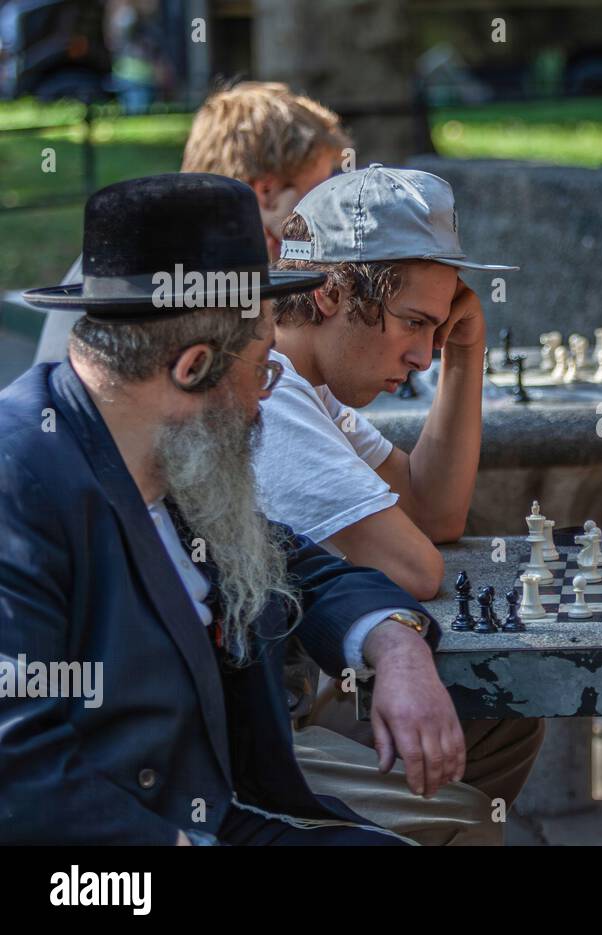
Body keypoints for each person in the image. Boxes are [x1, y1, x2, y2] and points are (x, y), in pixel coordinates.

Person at [0, 174, 459, 844]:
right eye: (264, 369)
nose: (264, 399)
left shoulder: (168, 451)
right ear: (192, 367)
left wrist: (394, 641)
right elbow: (18, 774)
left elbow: (296, 563)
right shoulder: (19, 483)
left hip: (217, 811)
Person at [260, 165, 544, 840]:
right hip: (255, 720)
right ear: (331, 291)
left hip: (298, 682)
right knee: (471, 781)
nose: (422, 355)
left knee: (505, 713)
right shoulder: (272, 391)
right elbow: (418, 566)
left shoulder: (313, 385)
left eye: (437, 327)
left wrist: (465, 351)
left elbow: (434, 511)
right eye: (413, 323)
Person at [33, 80, 349, 364]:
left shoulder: (141, 246)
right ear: (266, 191)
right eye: (317, 190)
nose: (325, 208)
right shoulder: (187, 267)